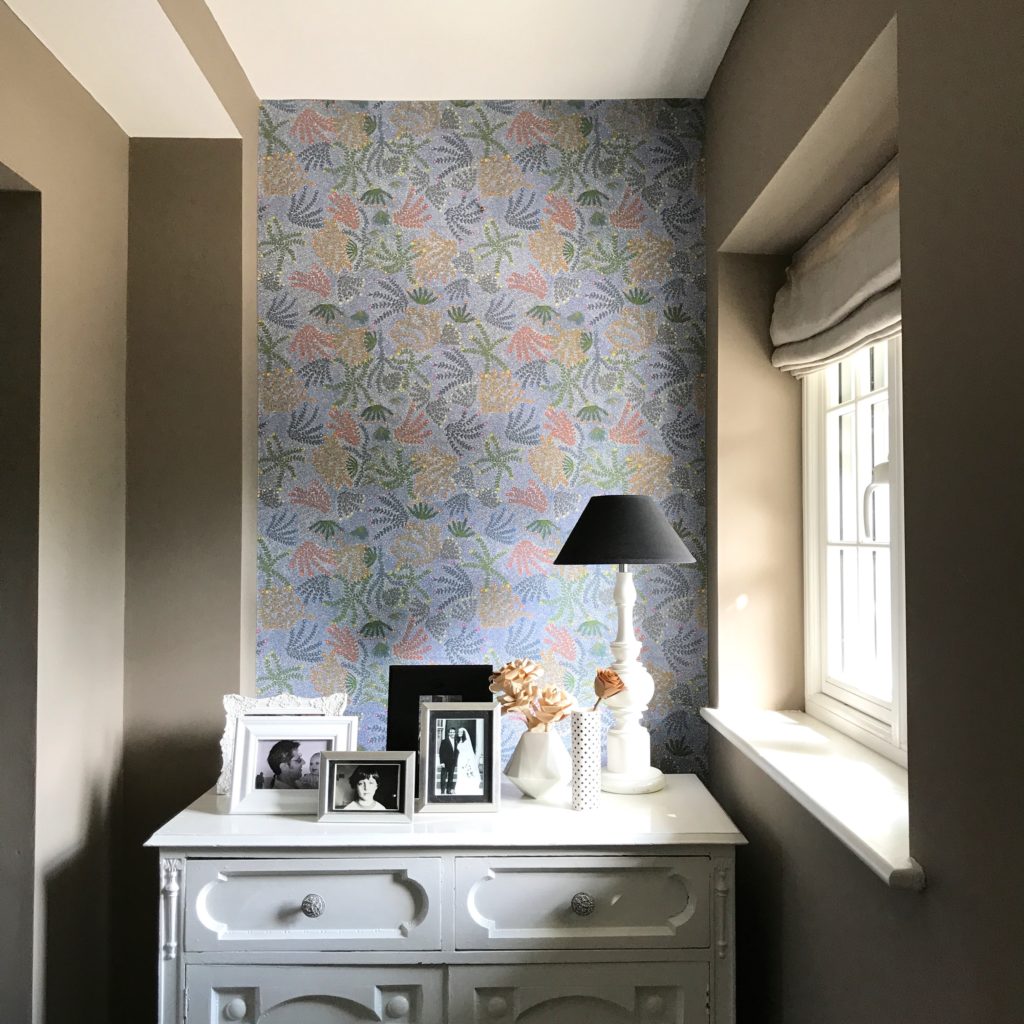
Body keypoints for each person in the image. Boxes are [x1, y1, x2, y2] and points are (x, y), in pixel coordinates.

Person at [454, 727, 480, 794]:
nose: (459, 733)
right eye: (459, 732)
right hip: (460, 758)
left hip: (465, 759)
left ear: (464, 734)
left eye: (461, 732)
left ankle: (467, 788)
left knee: (465, 772)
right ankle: (460, 788)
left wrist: (467, 762)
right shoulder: (459, 741)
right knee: (460, 773)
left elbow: (469, 752)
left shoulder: (466, 742)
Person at [438, 727, 458, 795]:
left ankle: (448, 790)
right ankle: (442, 791)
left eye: (453, 732)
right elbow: (441, 752)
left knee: (451, 777)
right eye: (451, 732)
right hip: (445, 763)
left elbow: (456, 752)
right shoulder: (444, 741)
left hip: (452, 763)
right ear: (448, 733)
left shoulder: (456, 741)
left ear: (455, 733)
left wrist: (455, 762)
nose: (452, 733)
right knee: (443, 777)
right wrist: (441, 762)